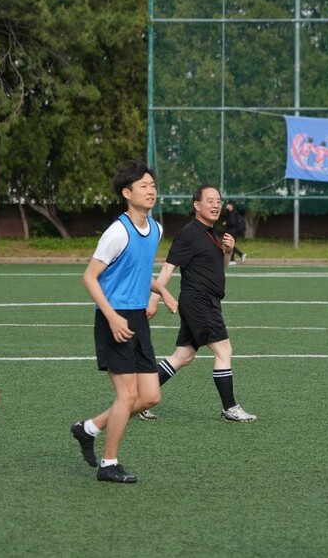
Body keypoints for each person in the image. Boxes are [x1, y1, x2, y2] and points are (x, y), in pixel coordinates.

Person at [70, 160, 177, 484]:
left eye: (153, 185)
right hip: (113, 318)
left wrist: (164, 292)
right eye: (144, 186)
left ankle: (88, 429)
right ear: (126, 193)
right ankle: (108, 463)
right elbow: (90, 277)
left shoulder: (156, 229)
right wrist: (112, 316)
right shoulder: (117, 232)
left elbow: (137, 274)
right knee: (127, 396)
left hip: (137, 318)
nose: (151, 190)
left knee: (150, 396)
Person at [140, 184, 257, 423]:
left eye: (219, 201)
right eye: (210, 200)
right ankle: (230, 408)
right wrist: (153, 300)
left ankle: (139, 398)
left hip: (207, 301)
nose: (216, 205)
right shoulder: (189, 234)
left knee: (183, 356)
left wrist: (228, 252)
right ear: (197, 205)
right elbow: (167, 268)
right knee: (224, 350)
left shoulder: (212, 234)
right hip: (199, 301)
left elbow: (219, 269)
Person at [223, 200, 247, 265]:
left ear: (231, 205)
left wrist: (226, 223)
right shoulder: (232, 213)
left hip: (232, 231)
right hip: (232, 231)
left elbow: (233, 222)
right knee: (230, 245)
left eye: (227, 204)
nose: (226, 206)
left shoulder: (233, 213)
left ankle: (233, 259)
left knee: (230, 245)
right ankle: (237, 257)